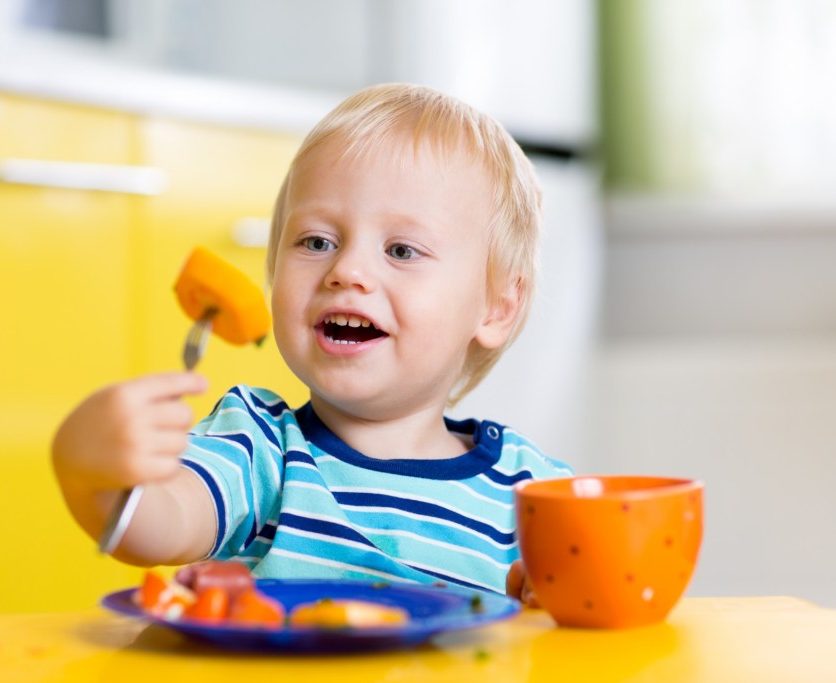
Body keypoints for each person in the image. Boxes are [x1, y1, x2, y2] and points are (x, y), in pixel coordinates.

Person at [52, 83, 572, 601]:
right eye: (317, 242)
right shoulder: (258, 449)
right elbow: (161, 522)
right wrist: (92, 474)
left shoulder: (534, 497)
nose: (347, 270)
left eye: (401, 250)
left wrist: (558, 607)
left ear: (497, 307)